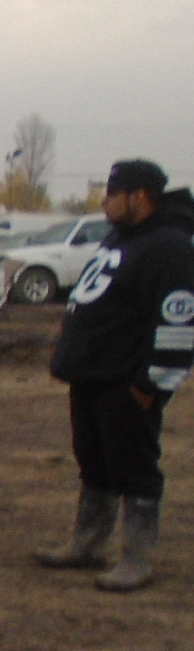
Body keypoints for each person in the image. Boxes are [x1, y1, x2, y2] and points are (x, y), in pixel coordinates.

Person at [35, 160, 194, 591]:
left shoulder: (171, 246)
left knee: (135, 467)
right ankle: (87, 542)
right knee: (95, 463)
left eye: (111, 194)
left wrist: (152, 384)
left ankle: (137, 557)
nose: (104, 203)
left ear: (139, 195)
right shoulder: (123, 237)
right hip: (91, 377)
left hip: (127, 383)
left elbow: (178, 319)